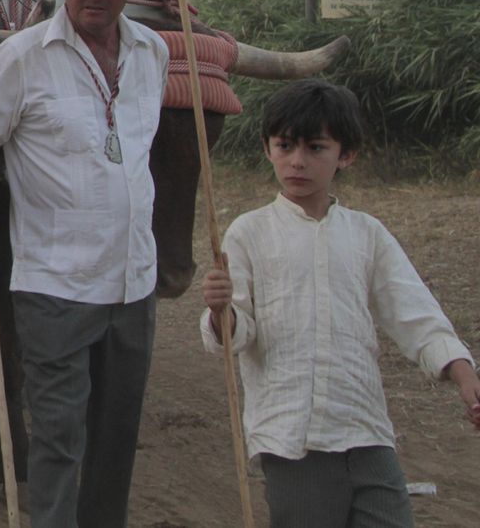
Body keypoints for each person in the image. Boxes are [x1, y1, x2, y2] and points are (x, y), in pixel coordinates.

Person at [0, 0, 169, 528]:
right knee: (58, 441)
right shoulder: (22, 56)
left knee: (117, 441)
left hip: (133, 284)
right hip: (55, 288)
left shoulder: (155, 51)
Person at [201, 79, 479, 527]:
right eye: (285, 145)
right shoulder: (248, 233)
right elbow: (238, 332)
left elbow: (413, 311)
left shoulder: (366, 233)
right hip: (293, 438)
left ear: (345, 155)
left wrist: (463, 373)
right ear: (267, 148)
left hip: (364, 427)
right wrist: (220, 310)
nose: (297, 161)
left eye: (315, 148)